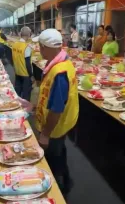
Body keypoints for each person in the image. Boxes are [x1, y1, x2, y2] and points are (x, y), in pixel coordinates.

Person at [32, 29, 78, 195]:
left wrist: (45, 133)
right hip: (61, 124)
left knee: (53, 157)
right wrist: (34, 106)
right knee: (60, 151)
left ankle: (59, 188)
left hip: (55, 126)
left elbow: (57, 108)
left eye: (40, 46)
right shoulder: (61, 62)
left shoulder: (59, 72)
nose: (39, 49)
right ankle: (65, 178)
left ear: (45, 47)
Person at [12, 26, 33, 101]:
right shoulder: (27, 47)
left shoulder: (14, 44)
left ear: (20, 34)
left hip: (17, 72)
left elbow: (13, 58)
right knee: (26, 94)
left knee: (18, 91)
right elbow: (28, 63)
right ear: (29, 35)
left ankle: (17, 107)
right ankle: (25, 110)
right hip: (25, 73)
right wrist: (31, 75)